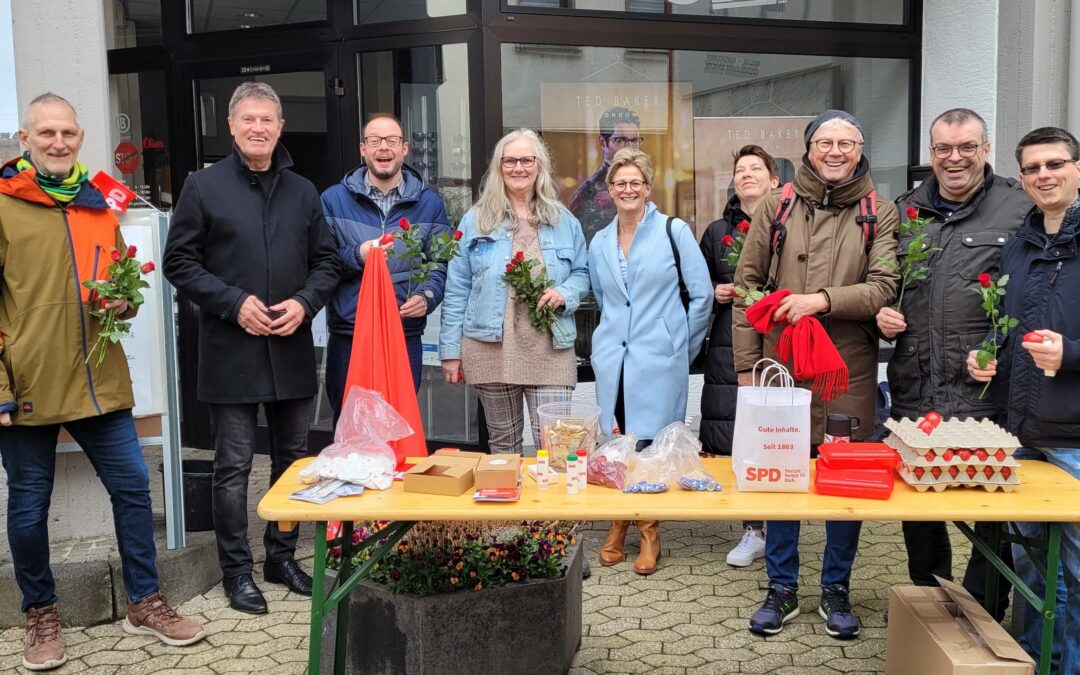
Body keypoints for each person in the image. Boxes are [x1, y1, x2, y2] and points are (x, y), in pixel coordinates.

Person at [0, 93, 205, 671]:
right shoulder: (3, 204)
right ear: (25, 137)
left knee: (134, 489)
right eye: (47, 134)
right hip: (27, 385)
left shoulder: (96, 207)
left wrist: (124, 300)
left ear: (80, 136)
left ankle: (144, 600)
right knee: (28, 508)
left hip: (98, 379)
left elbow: (124, 288)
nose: (58, 142)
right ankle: (40, 614)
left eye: (68, 132)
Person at [163, 82, 340, 614]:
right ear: (233, 127)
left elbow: (326, 263)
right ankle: (237, 571)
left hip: (288, 347)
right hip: (230, 350)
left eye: (268, 119)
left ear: (280, 127)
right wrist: (233, 302)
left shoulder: (303, 191)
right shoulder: (202, 186)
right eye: (248, 120)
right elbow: (179, 263)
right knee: (234, 465)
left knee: (291, 461)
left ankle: (281, 557)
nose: (258, 128)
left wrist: (305, 304)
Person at [733, 110, 899, 639]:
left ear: (859, 148)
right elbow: (746, 288)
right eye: (824, 142)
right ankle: (781, 588)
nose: (834, 151)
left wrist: (820, 300)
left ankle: (836, 588)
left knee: (844, 477)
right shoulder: (778, 206)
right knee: (783, 475)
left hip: (847, 369)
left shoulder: (881, 210)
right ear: (807, 150)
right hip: (781, 366)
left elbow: (884, 286)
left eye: (845, 143)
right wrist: (745, 368)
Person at [877, 108, 1030, 619]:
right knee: (920, 501)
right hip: (915, 383)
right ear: (931, 153)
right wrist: (884, 314)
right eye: (943, 148)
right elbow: (888, 283)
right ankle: (934, 601)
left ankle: (983, 605)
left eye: (966, 147)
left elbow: (1031, 300)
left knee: (990, 502)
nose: (954, 158)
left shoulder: (1019, 207)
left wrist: (997, 350)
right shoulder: (906, 210)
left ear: (985, 150)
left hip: (984, 387)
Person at [968, 126, 1080, 675]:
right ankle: (1040, 663)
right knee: (1034, 570)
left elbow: (1063, 345)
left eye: (1055, 164)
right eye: (1032, 168)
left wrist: (1074, 354)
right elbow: (1010, 329)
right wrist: (989, 354)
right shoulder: (1019, 244)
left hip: (1076, 440)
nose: (1044, 176)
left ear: (1078, 169)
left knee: (1079, 579)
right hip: (1025, 436)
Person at [589, 148, 712, 576]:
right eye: (619, 183)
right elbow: (604, 300)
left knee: (652, 448)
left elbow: (702, 295)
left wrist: (681, 347)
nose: (627, 189)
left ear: (647, 187)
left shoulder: (672, 231)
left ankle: (649, 533)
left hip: (660, 360)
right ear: (609, 191)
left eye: (634, 182)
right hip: (614, 362)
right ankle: (619, 523)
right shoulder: (600, 241)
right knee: (618, 443)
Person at [438, 128, 589, 454]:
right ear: (499, 167)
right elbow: (457, 286)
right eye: (510, 161)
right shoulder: (476, 220)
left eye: (526, 160)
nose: (518, 168)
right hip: (491, 347)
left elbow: (581, 272)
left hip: (550, 346)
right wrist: (450, 350)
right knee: (504, 447)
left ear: (539, 165)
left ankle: (550, 507)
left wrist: (564, 293)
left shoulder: (564, 220)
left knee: (557, 447)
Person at [321, 113, 451, 422]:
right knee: (349, 424)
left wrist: (428, 295)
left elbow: (440, 262)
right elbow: (321, 263)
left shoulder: (429, 203)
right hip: (350, 333)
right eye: (375, 141)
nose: (384, 148)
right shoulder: (332, 200)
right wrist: (358, 255)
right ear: (362, 149)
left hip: (404, 334)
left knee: (398, 423)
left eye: (392, 141)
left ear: (405, 148)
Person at [699, 144, 780, 568]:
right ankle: (753, 529)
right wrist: (715, 292)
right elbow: (695, 285)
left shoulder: (790, 224)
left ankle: (782, 526)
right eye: (740, 170)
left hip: (778, 341)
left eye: (756, 168)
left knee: (777, 433)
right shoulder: (716, 232)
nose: (746, 175)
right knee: (737, 435)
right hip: (730, 346)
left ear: (774, 179)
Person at [569, 106, 642, 244]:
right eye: (620, 141)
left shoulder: (646, 184)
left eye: (634, 141)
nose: (629, 148)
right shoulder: (585, 194)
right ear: (603, 143)